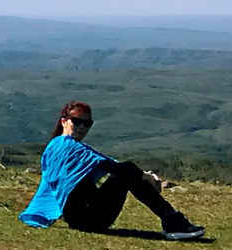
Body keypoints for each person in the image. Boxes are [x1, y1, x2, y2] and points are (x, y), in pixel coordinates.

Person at [19, 101, 206, 240]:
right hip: (86, 217)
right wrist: (143, 176)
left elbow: (104, 162)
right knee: (126, 170)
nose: (82, 127)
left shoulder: (56, 146)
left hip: (80, 215)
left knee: (126, 169)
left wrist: (140, 175)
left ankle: (171, 219)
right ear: (64, 121)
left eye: (87, 123)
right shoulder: (66, 147)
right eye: (77, 121)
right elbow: (109, 165)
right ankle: (171, 220)